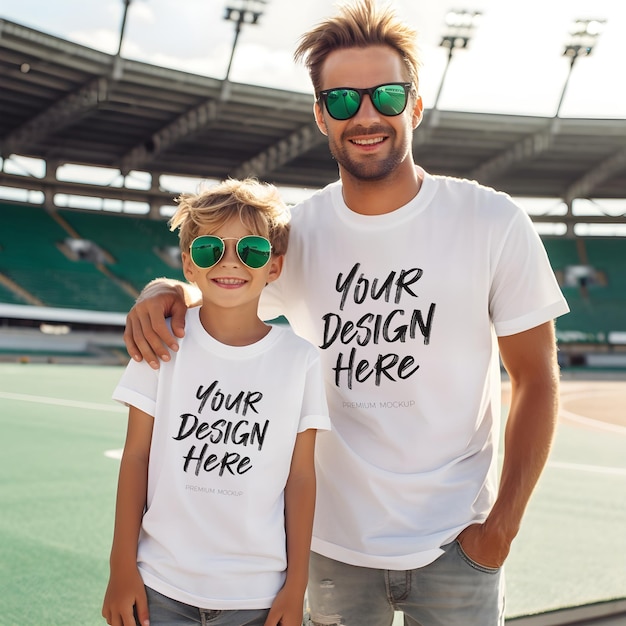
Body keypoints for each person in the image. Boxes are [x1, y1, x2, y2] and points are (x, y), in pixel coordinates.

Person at [122, 1, 569, 625]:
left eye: (386, 96)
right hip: (331, 549)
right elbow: (223, 286)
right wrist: (160, 286)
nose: (366, 116)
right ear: (319, 115)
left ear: (414, 105)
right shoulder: (299, 233)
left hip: (457, 546)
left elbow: (537, 379)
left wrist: (501, 530)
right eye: (342, 101)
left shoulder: (491, 221)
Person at [102, 178, 330, 626]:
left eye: (252, 251)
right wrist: (120, 567)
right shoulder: (162, 344)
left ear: (275, 266)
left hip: (257, 596)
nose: (231, 263)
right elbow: (136, 457)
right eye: (211, 250)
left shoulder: (300, 360)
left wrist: (296, 585)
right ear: (189, 264)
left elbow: (301, 478)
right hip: (160, 585)